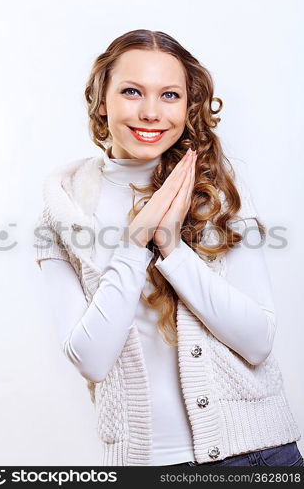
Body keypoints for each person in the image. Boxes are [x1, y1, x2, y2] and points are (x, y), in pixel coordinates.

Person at [34, 29, 303, 467]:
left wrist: (173, 250)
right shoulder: (61, 211)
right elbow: (91, 359)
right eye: (132, 91)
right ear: (102, 100)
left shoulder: (218, 192)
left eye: (170, 95)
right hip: (149, 463)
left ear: (188, 106)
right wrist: (137, 243)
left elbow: (258, 341)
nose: (151, 112)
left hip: (259, 455)